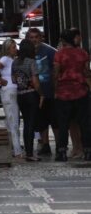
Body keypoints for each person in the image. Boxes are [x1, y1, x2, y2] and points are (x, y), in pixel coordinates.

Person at [53, 28, 91, 161]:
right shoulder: (83, 53)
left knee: (63, 124)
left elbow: (56, 73)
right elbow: (86, 73)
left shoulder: (59, 55)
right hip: (81, 91)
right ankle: (87, 150)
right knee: (84, 123)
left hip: (64, 93)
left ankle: (62, 152)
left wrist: (55, 90)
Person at [27, 28, 57, 156]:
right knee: (41, 121)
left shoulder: (50, 51)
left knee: (55, 119)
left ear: (41, 38)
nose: (34, 40)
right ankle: (45, 145)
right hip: (36, 93)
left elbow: (56, 70)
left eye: (36, 37)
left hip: (49, 90)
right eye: (31, 37)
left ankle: (60, 144)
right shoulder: (26, 52)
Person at [0, 39, 22, 158]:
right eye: (13, 47)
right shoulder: (5, 59)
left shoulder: (12, 60)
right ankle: (17, 150)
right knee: (13, 120)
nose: (16, 49)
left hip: (12, 91)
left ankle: (13, 148)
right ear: (8, 49)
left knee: (12, 121)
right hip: (9, 91)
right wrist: (2, 81)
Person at [13, 39, 42, 161]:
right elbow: (35, 81)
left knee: (26, 123)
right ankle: (30, 153)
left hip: (20, 95)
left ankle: (28, 152)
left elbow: (14, 80)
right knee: (30, 123)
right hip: (31, 95)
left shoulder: (15, 62)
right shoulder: (31, 62)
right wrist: (41, 93)